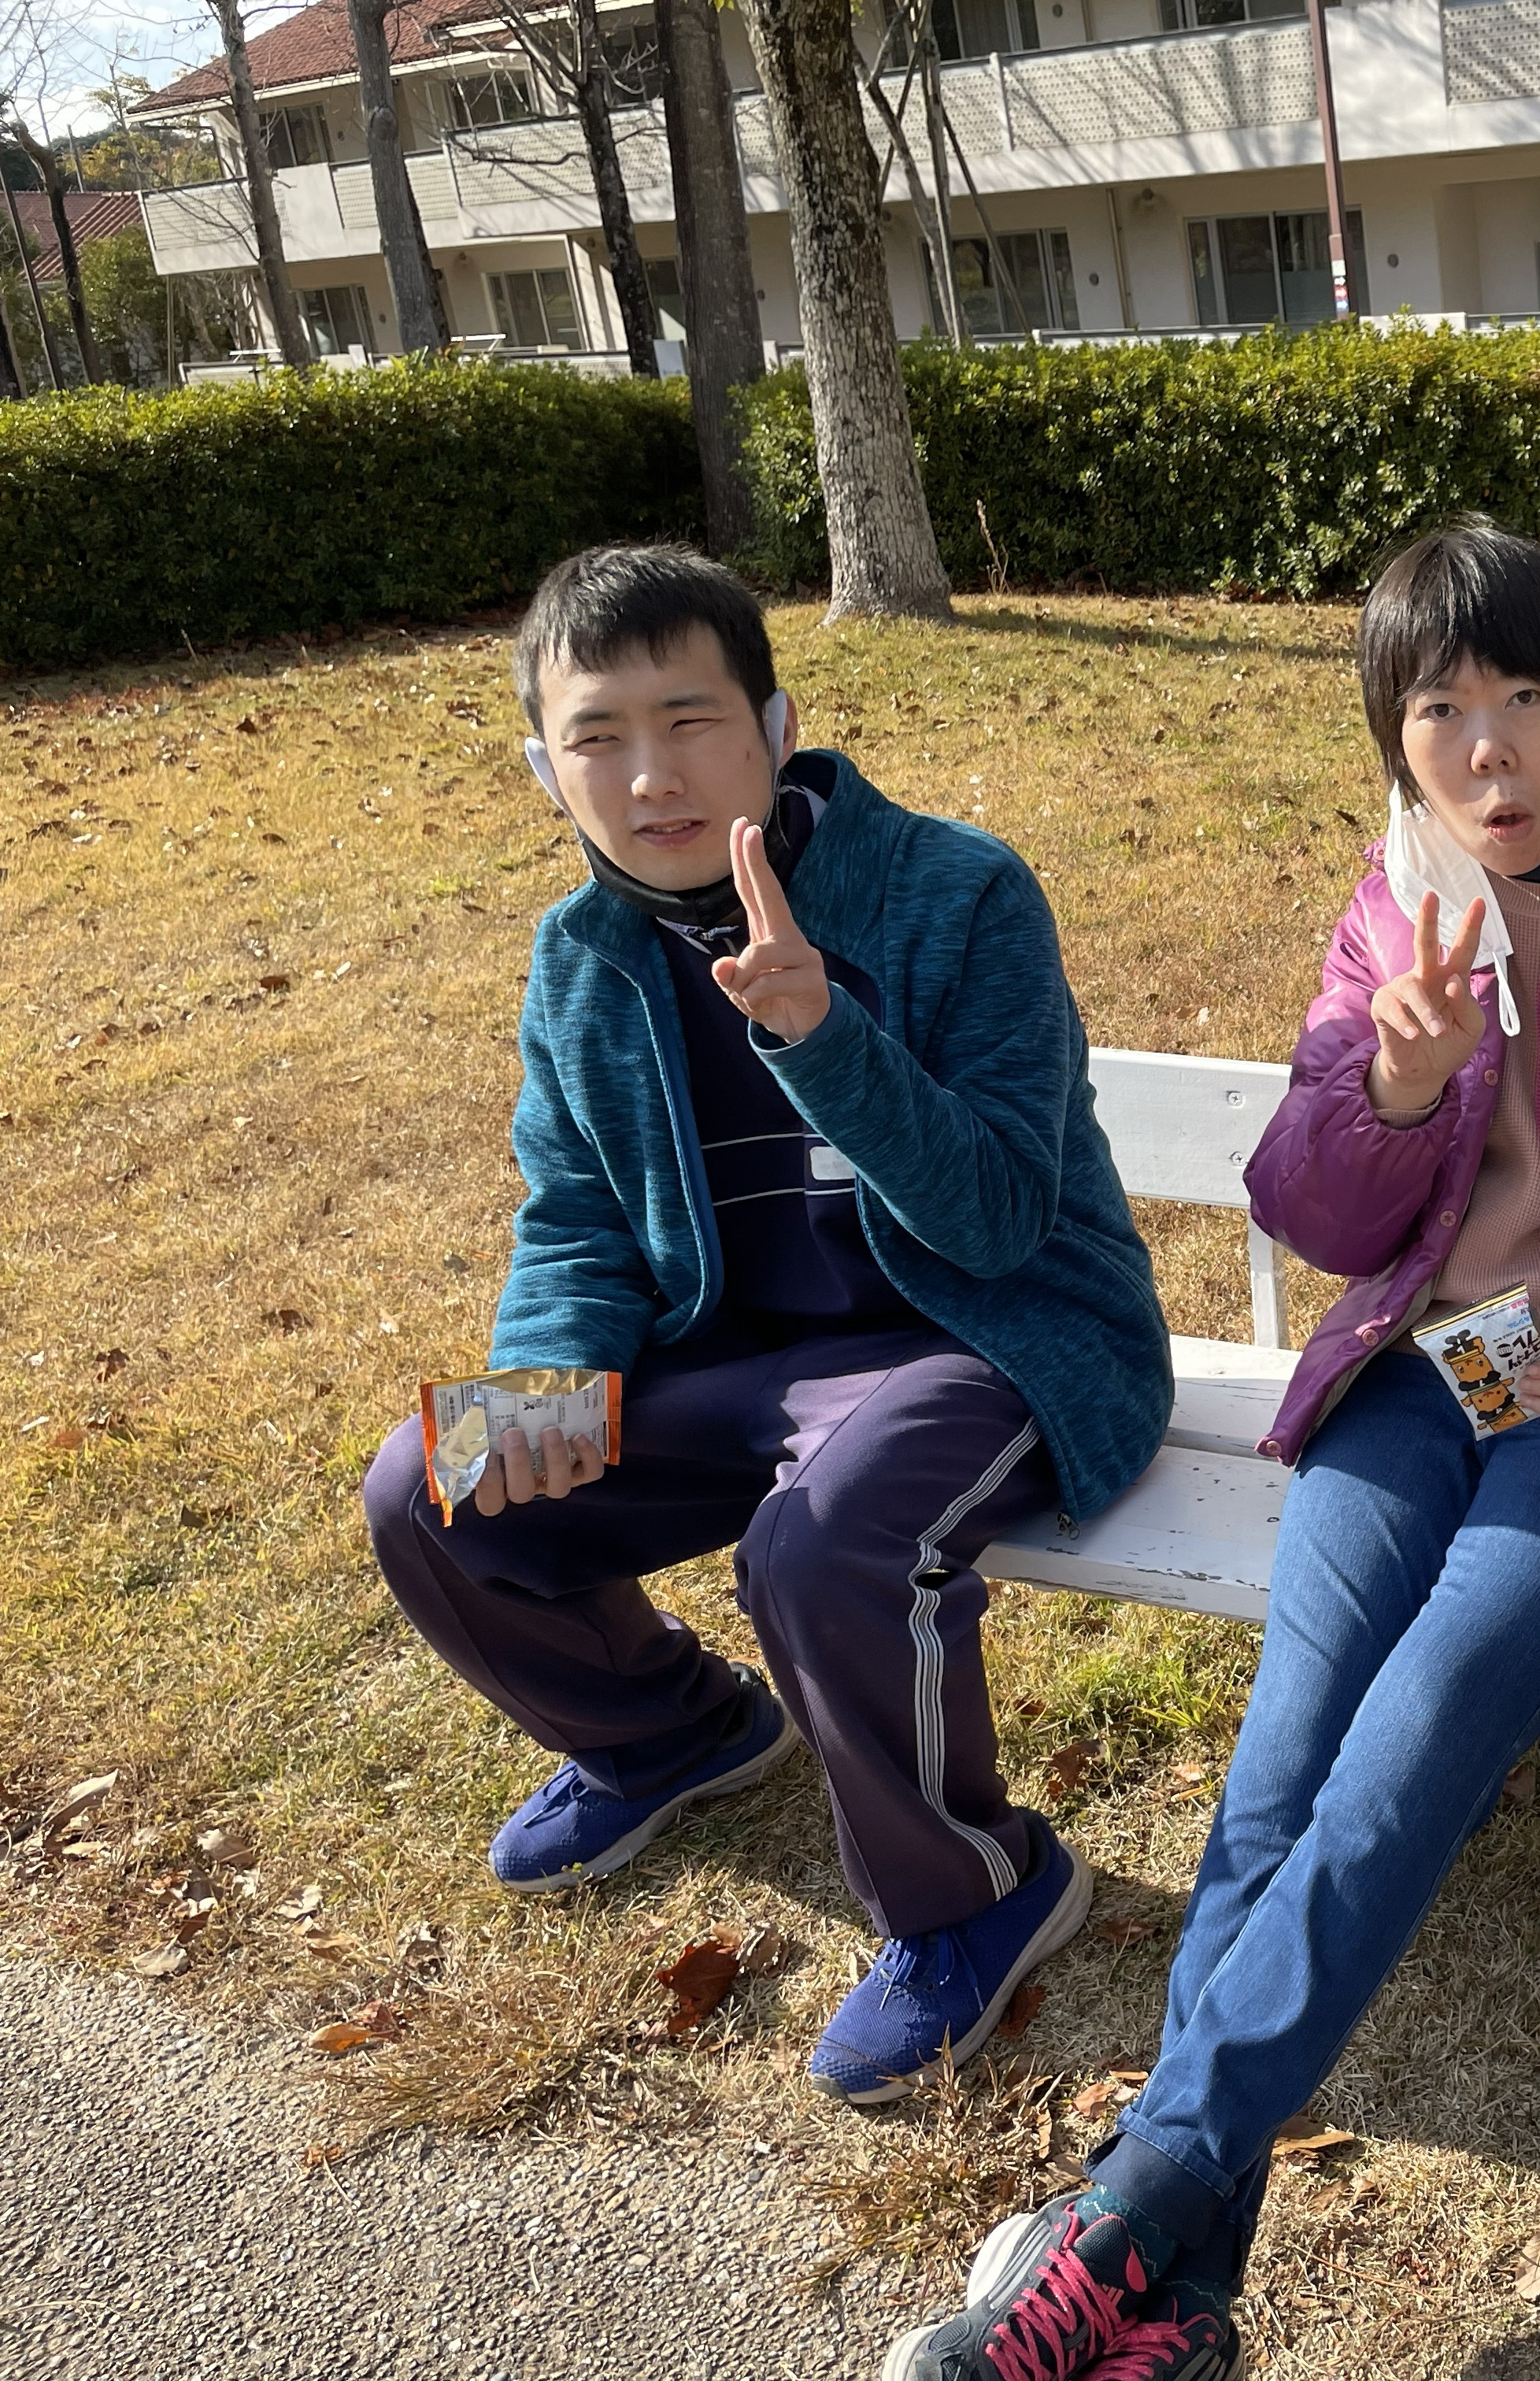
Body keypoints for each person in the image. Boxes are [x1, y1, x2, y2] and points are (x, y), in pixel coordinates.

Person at [883, 519, 1540, 2381]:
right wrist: (1397, 1087)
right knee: (1282, 1766)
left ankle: (1122, 2220)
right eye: (1439, 710)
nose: (1488, 749)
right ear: (1395, 741)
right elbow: (1316, 1214)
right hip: (1421, 1384)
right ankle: (1172, 2295)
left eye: (1524, 699)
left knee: (1417, 1731)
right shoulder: (1394, 921)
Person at [361, 544, 1171, 2105]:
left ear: (777, 726)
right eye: (599, 738)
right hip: (726, 1360)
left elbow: (1002, 1217)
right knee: (431, 1482)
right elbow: (579, 1217)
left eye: (691, 721)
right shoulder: (581, 956)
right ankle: (669, 1733)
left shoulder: (954, 892)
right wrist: (547, 1371)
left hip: (979, 1339)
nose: (651, 776)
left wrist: (819, 1031)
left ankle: (978, 1893)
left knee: (819, 1540)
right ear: (544, 768)